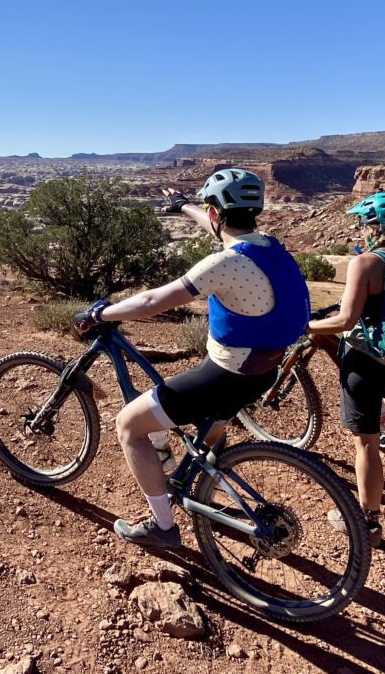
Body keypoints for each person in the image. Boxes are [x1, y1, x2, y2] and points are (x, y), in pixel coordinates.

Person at [74, 169, 310, 549]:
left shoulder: (223, 265)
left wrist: (100, 315)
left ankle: (162, 527)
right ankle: (202, 473)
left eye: (208, 212)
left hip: (223, 376)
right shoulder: (269, 245)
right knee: (201, 425)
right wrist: (184, 207)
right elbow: (220, 228)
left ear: (216, 213)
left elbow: (151, 302)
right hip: (261, 371)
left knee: (129, 425)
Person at [306, 190, 385, 547]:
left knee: (366, 444)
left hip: (370, 362)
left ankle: (367, 522)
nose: (359, 228)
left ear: (372, 225)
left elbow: (344, 319)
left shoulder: (367, 262)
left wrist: (304, 327)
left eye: (361, 222)